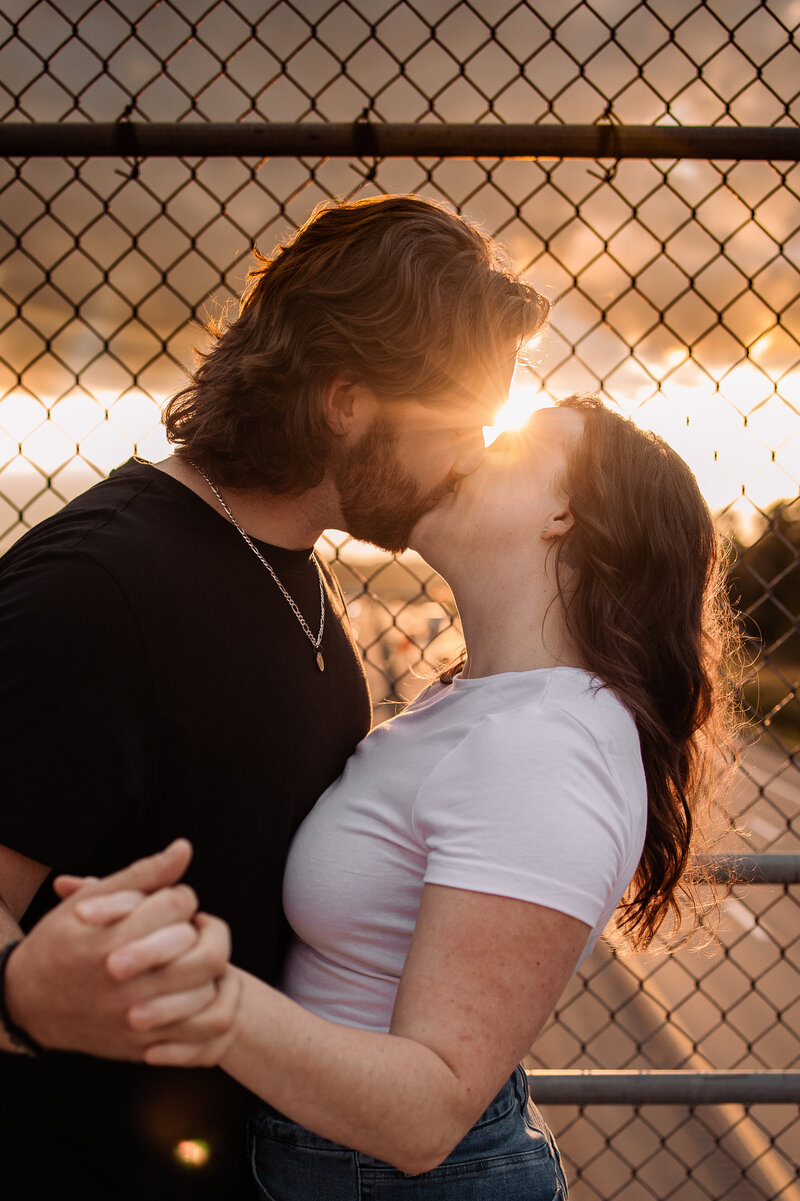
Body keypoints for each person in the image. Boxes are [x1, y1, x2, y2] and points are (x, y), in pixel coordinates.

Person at [0, 195, 549, 1199]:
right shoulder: (95, 592)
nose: (471, 454)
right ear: (345, 401)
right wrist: (20, 990)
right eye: (462, 423)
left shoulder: (293, 564)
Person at [57, 396, 739, 1198]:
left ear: (565, 513)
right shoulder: (489, 703)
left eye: (513, 444)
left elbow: (427, 1113)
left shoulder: (548, 745)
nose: (470, 447)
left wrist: (206, 991)